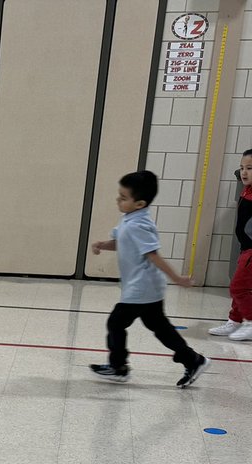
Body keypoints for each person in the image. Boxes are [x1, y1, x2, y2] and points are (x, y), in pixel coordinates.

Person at [89, 170, 208, 388]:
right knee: (160, 328)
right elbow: (120, 242)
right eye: (119, 195)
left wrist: (177, 278)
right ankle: (192, 359)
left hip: (142, 287)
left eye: (124, 198)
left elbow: (152, 254)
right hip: (144, 288)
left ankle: (118, 367)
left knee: (116, 322)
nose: (118, 200)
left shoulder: (139, 225)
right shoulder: (129, 218)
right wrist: (102, 245)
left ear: (140, 203)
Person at [209, 149, 252, 341]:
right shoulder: (246, 190)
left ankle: (250, 322)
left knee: (238, 287)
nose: (244, 172)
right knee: (239, 285)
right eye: (242, 168)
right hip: (245, 247)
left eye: (250, 168)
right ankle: (234, 321)